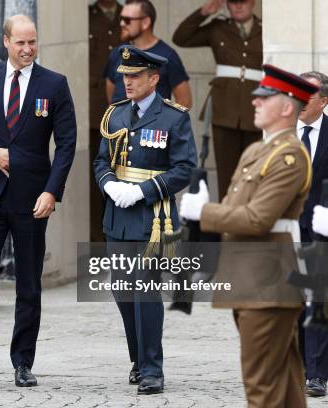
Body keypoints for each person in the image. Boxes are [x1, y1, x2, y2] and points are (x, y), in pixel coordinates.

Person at [180, 64, 317, 407]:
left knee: (262, 389)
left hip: (267, 281)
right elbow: (235, 208)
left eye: (264, 97)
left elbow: (257, 219)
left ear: (287, 107)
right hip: (248, 278)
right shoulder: (257, 151)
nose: (254, 103)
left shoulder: (288, 156)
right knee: (284, 386)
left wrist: (204, 212)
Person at [0, 14, 76, 387]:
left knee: (28, 282)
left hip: (33, 198)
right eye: (20, 43)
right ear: (5, 42)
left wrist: (52, 191)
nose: (27, 49)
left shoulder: (54, 84)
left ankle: (23, 362)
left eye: (32, 42)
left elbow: (67, 144)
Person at [94, 46, 197, 394]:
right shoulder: (115, 115)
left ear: (154, 78)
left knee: (146, 292)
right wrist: (109, 184)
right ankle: (138, 360)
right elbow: (100, 161)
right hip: (118, 216)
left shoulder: (174, 117)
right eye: (125, 76)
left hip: (153, 217)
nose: (128, 82)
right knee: (123, 291)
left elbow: (185, 169)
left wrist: (144, 191)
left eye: (135, 76)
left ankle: (153, 369)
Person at [173, 0, 262, 200]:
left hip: (256, 108)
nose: (238, 6)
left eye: (244, 2)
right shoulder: (218, 28)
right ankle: (226, 226)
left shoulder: (264, 29)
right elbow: (180, 38)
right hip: (225, 108)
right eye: (233, 2)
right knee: (227, 173)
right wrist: (203, 13)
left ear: (253, 3)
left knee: (255, 173)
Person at [296, 71, 328, 397]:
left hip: (321, 227)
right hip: (286, 226)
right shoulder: (276, 131)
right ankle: (299, 365)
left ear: (324, 100)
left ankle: (316, 374)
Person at [104, 0, 191, 108]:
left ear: (145, 22)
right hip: (119, 125)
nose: (122, 24)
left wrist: (162, 123)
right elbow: (111, 96)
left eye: (127, 20)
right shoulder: (117, 53)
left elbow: (184, 100)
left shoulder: (167, 56)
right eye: (120, 19)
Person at [89, 0, 123, 243]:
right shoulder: (89, 17)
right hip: (95, 112)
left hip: (126, 114)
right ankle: (97, 240)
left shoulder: (130, 15)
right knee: (97, 180)